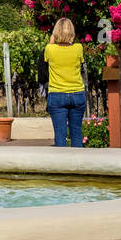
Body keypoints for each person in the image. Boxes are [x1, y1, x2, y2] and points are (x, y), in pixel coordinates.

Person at [44, 18, 86, 147]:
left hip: (57, 95)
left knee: (60, 135)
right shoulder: (78, 48)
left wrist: (53, 38)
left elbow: (45, 58)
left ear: (56, 33)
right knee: (76, 133)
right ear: (72, 33)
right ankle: (78, 164)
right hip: (77, 94)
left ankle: (61, 165)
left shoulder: (50, 49)